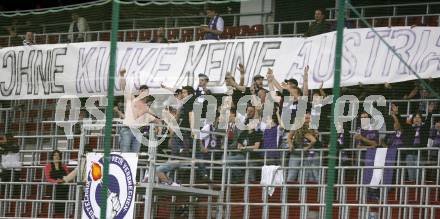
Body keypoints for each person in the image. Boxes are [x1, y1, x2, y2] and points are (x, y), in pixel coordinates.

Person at [118, 69, 154, 153]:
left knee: (135, 156)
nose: (143, 93)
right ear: (139, 92)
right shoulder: (131, 98)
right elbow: (124, 88)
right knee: (125, 154)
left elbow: (154, 118)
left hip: (138, 132)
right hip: (127, 130)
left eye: (145, 91)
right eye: (141, 91)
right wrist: (122, 76)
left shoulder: (147, 107)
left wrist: (157, 126)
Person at [287, 112, 318, 182]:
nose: (308, 120)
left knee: (303, 176)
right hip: (296, 153)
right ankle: (286, 192)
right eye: (306, 118)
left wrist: (307, 148)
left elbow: (315, 140)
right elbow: (289, 137)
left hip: (307, 155)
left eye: (309, 118)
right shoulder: (295, 126)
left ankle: (300, 192)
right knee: (291, 175)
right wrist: (290, 145)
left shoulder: (313, 127)